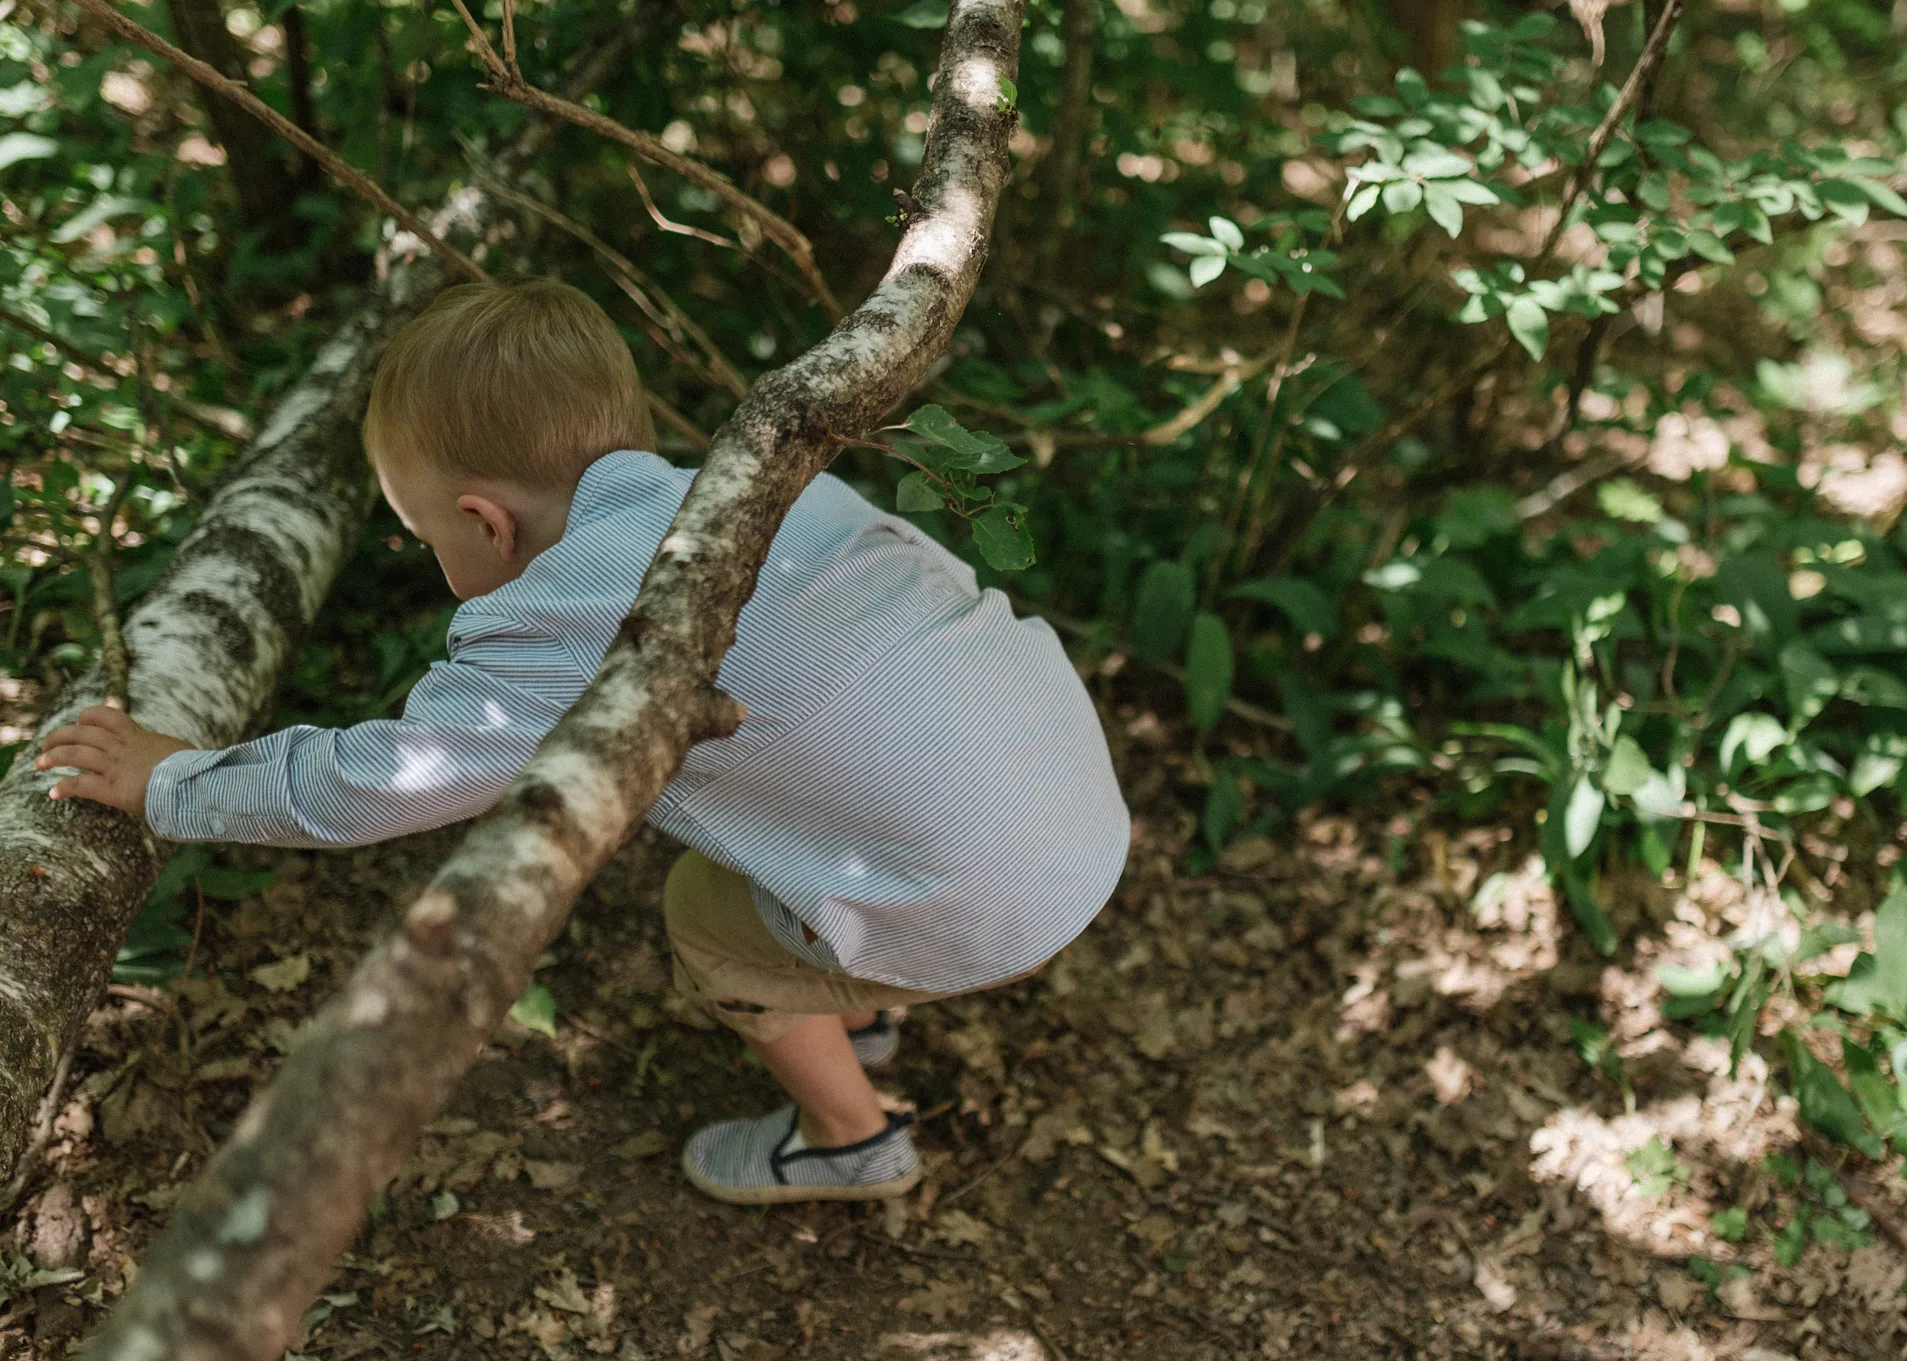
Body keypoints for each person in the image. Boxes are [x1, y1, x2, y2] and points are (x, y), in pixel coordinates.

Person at [36, 278, 1129, 1206]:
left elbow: (371, 782)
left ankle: (851, 1136)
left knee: (701, 911)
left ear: (484, 523)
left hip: (986, 908)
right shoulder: (761, 487)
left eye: (424, 538)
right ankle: (867, 999)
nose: (429, 557)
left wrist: (170, 780)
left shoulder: (561, 618)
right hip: (1076, 810)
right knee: (824, 778)